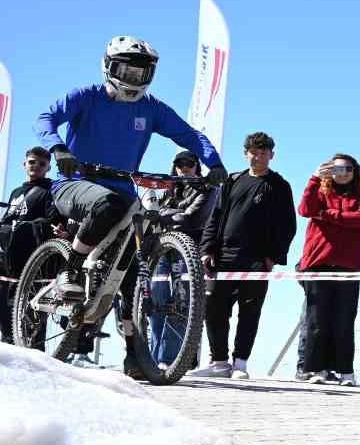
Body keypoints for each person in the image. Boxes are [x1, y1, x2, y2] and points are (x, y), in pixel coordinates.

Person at [34, 37, 225, 305]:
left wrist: (214, 163)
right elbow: (45, 118)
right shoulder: (86, 97)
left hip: (122, 190)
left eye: (140, 73)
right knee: (109, 204)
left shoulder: (151, 108)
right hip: (73, 183)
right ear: (109, 67)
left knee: (137, 241)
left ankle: (121, 326)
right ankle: (70, 270)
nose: (133, 79)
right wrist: (58, 148)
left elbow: (189, 135)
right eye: (126, 72)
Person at [192, 132, 296, 380]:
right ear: (245, 153)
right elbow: (215, 216)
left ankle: (240, 363)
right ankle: (219, 362)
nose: (257, 156)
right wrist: (206, 249)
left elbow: (288, 226)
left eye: (263, 152)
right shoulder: (232, 180)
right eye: (253, 151)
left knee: (249, 312)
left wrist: (273, 257)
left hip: (256, 260)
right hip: (223, 257)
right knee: (215, 308)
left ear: (271, 155)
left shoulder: (280, 186)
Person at [297, 153, 360, 385]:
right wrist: (313, 179)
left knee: (344, 320)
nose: (343, 173)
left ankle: (345, 371)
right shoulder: (320, 192)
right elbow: (305, 209)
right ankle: (316, 369)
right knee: (316, 320)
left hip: (348, 266)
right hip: (318, 263)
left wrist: (326, 214)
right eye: (338, 169)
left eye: (348, 169)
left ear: (355, 172)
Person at [141, 150, 215, 369]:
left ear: (196, 166)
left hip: (187, 253)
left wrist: (163, 213)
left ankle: (168, 359)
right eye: (180, 164)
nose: (184, 167)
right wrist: (168, 212)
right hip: (161, 251)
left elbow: (190, 218)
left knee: (181, 306)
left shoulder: (207, 188)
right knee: (155, 305)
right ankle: (153, 360)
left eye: (189, 164)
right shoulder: (166, 186)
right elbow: (148, 210)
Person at [1, 147, 56, 345]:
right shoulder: (16, 192)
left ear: (48, 167)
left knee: (32, 320)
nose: (36, 166)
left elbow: (52, 221)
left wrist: (22, 227)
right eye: (32, 162)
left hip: (33, 266)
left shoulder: (50, 189)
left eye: (42, 164)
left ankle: (35, 365)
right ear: (24, 164)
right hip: (8, 261)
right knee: (5, 315)